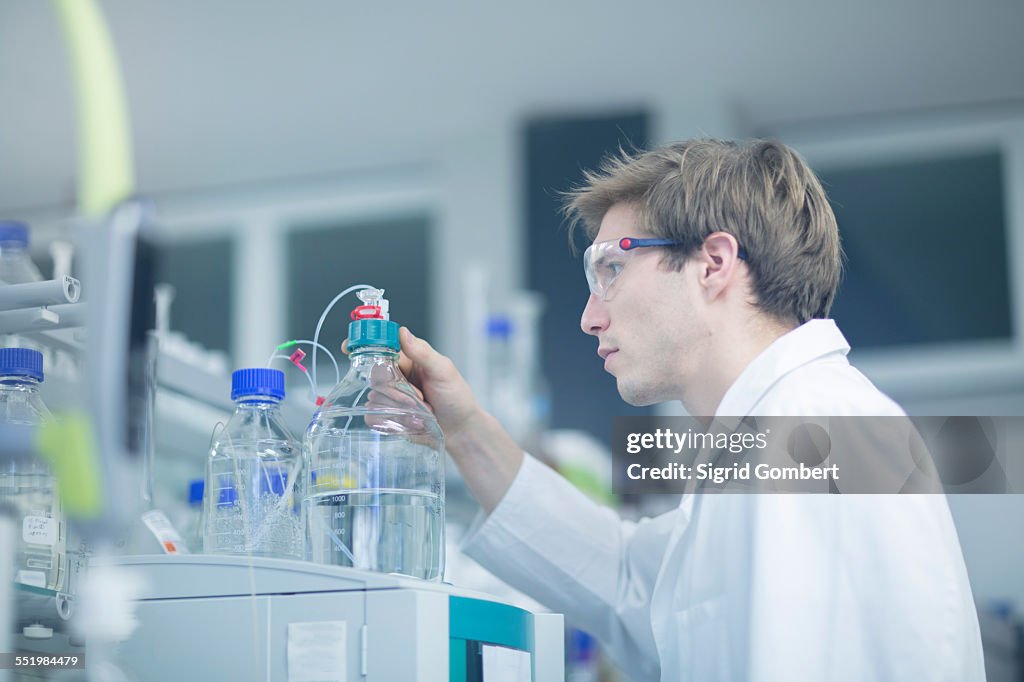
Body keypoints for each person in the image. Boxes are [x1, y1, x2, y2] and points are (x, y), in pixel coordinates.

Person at [391, 140, 985, 680]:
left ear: (714, 264)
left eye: (612, 270)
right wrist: (464, 428)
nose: (590, 318)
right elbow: (624, 578)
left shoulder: (819, 428)